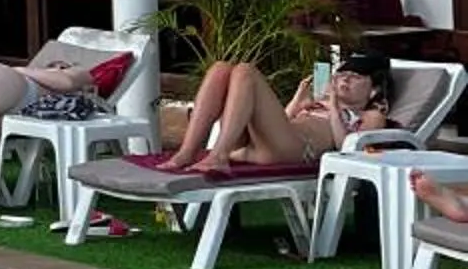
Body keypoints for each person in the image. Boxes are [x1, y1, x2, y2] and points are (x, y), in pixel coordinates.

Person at [159, 48, 389, 173]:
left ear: (373, 90)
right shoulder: (318, 102)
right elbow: (284, 123)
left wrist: (335, 108)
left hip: (296, 151)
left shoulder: (372, 114)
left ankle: (217, 155)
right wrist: (297, 104)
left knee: (246, 72)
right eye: (342, 74)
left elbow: (347, 148)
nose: (344, 80)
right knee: (221, 69)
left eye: (356, 77)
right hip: (257, 145)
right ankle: (187, 152)